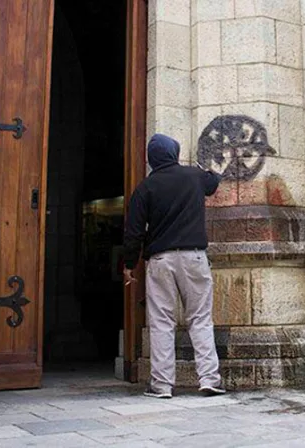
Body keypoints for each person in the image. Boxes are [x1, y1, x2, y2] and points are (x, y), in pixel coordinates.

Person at [123, 133, 225, 399]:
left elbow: (133, 232)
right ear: (175, 153)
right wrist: (203, 168)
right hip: (194, 258)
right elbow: (214, 181)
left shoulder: (145, 188)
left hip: (160, 261)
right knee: (200, 318)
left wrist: (129, 264)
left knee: (161, 322)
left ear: (151, 159)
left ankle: (161, 385)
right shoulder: (193, 177)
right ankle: (209, 379)